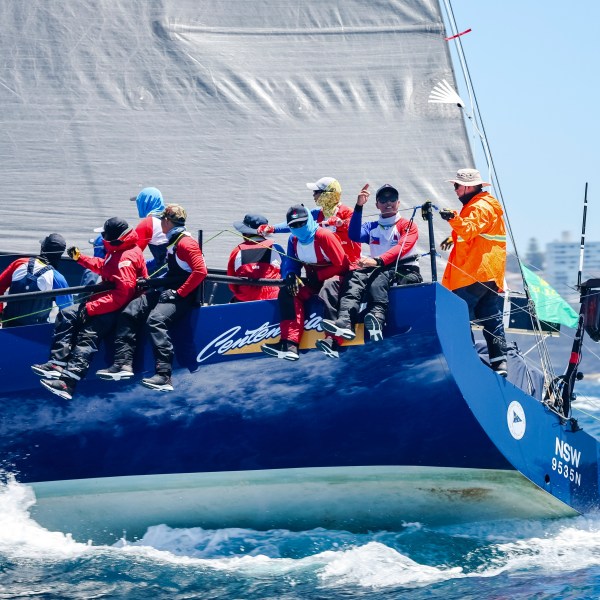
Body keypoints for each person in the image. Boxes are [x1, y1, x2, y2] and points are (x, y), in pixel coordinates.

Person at [30, 218, 148, 400]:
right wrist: (80, 259)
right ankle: (57, 364)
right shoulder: (119, 250)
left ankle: (68, 383)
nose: (102, 236)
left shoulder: (126, 258)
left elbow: (122, 294)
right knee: (67, 314)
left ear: (114, 237)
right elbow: (105, 267)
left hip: (117, 306)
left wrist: (91, 308)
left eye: (104, 234)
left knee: (88, 334)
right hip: (108, 302)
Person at [96, 204, 207, 392]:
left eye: (161, 219)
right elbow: (175, 273)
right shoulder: (174, 240)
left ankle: (164, 376)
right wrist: (150, 282)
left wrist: (178, 293)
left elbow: (200, 271)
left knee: (155, 320)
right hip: (171, 290)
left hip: (184, 296)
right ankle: (123, 364)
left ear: (166, 221)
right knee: (131, 310)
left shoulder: (185, 243)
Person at [320, 183, 421, 357]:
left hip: (405, 268)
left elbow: (401, 248)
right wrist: (359, 206)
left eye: (392, 199)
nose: (388, 202)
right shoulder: (371, 226)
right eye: (383, 199)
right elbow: (354, 234)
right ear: (377, 205)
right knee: (353, 276)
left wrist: (377, 260)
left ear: (398, 203)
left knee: (378, 278)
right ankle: (345, 322)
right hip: (378, 266)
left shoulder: (407, 224)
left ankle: (377, 319)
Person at [438, 168, 508, 377]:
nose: (455, 190)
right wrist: (454, 236)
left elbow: (468, 228)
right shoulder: (483, 206)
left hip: (474, 273)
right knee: (490, 316)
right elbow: (475, 233)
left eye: (456, 186)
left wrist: (452, 218)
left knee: (455, 312)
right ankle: (500, 363)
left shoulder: (479, 206)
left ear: (468, 186)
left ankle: (465, 359)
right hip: (489, 274)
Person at [261, 204, 349, 361]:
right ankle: (289, 345)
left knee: (329, 287)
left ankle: (333, 340)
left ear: (309, 220)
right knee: (288, 292)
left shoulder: (324, 236)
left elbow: (342, 265)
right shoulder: (293, 240)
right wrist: (290, 275)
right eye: (294, 225)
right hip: (314, 279)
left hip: (337, 277)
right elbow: (291, 263)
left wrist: (320, 275)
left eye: (301, 223)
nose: (298, 227)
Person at [258, 177, 361, 263]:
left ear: (328, 194)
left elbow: (356, 228)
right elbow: (298, 222)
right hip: (328, 264)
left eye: (316, 192)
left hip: (349, 265)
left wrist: (341, 223)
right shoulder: (317, 213)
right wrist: (272, 228)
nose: (313, 195)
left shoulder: (347, 212)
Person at [0, 233, 73, 327]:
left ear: (43, 248)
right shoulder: (58, 278)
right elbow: (68, 310)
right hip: (37, 332)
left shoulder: (19, 263)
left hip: (8, 328)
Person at [227, 214, 283, 302]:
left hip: (245, 299)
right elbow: (286, 274)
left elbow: (231, 283)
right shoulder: (277, 248)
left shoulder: (236, 251)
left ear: (245, 232)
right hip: (273, 299)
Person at [131, 187, 168, 276]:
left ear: (145, 203)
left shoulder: (148, 223)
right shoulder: (170, 218)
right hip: (178, 267)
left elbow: (132, 253)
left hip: (166, 272)